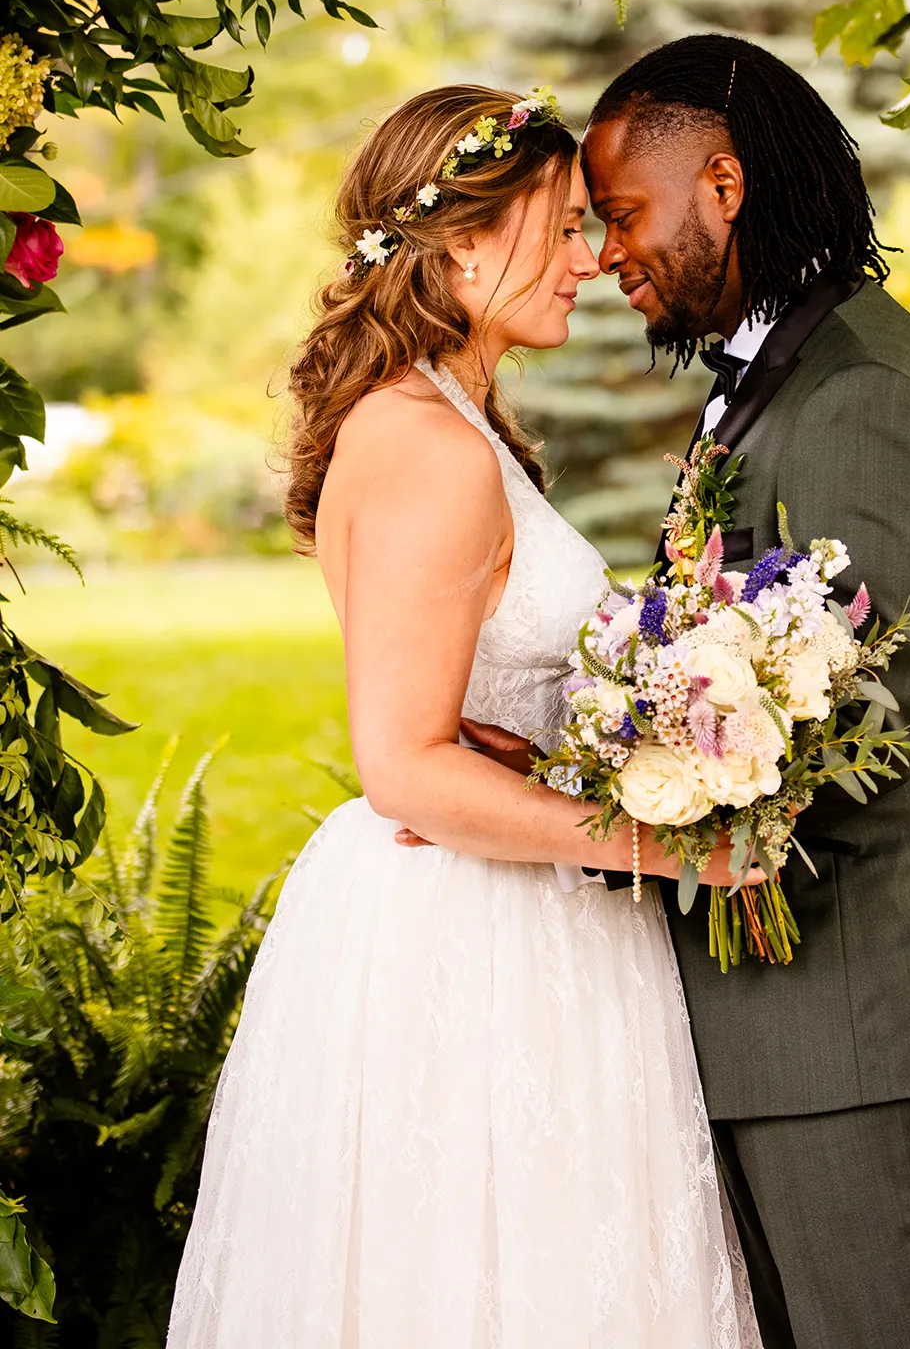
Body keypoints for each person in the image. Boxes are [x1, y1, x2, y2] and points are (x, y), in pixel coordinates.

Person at [167, 84, 762, 1349]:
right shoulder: (430, 449)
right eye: (557, 230)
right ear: (455, 247)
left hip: (490, 906)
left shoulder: (440, 419)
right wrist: (674, 845)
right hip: (473, 939)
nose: (592, 259)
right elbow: (406, 770)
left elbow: (442, 713)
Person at [575, 35, 910, 1349]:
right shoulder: (780, 372)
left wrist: (627, 795)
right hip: (801, 1016)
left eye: (622, 212)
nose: (607, 252)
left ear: (721, 187)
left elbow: (859, 713)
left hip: (869, 1008)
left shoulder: (859, 391)